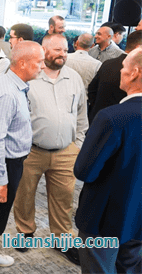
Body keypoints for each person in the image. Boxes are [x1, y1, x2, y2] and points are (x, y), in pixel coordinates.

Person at [13, 34, 87, 265]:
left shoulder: (73, 78)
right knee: (24, 195)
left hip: (66, 151)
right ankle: (25, 231)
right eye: (57, 50)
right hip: (32, 151)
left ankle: (62, 239)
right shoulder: (29, 77)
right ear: (44, 50)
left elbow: (82, 114)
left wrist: (78, 145)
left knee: (64, 199)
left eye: (65, 50)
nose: (62, 54)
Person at [0, 41, 45, 273]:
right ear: (22, 63)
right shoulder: (6, 93)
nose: (43, 66)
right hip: (2, 164)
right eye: (39, 62)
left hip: (10, 163)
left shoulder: (15, 85)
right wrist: (1, 181)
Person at [74, 47, 142, 274]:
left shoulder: (111, 117)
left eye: (123, 67)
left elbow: (85, 171)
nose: (120, 71)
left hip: (103, 218)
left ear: (134, 73)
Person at [87, 30, 142, 123]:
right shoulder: (137, 72)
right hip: (122, 122)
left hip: (96, 119)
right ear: (138, 47)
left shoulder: (107, 63)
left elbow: (92, 90)